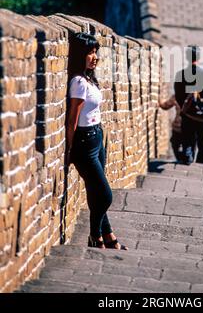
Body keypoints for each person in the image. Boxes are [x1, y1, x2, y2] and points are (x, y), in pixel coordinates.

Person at [66, 32, 127, 250]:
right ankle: (94, 235)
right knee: (105, 194)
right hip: (84, 143)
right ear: (80, 54)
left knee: (95, 191)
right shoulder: (79, 82)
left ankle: (107, 235)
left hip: (97, 137)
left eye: (95, 52)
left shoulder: (90, 78)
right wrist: (69, 148)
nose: (95, 57)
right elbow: (73, 117)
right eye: (90, 53)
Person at [174, 45, 203, 165]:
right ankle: (201, 163)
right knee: (202, 141)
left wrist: (185, 107)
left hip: (187, 113)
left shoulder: (180, 74)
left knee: (188, 138)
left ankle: (188, 156)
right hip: (202, 113)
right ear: (198, 57)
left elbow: (178, 95)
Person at [159, 95, 183, 162]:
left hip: (178, 126)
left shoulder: (178, 95)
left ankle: (182, 160)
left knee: (175, 143)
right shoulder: (196, 95)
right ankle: (186, 160)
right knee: (190, 145)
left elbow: (166, 106)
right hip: (191, 127)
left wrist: (159, 101)